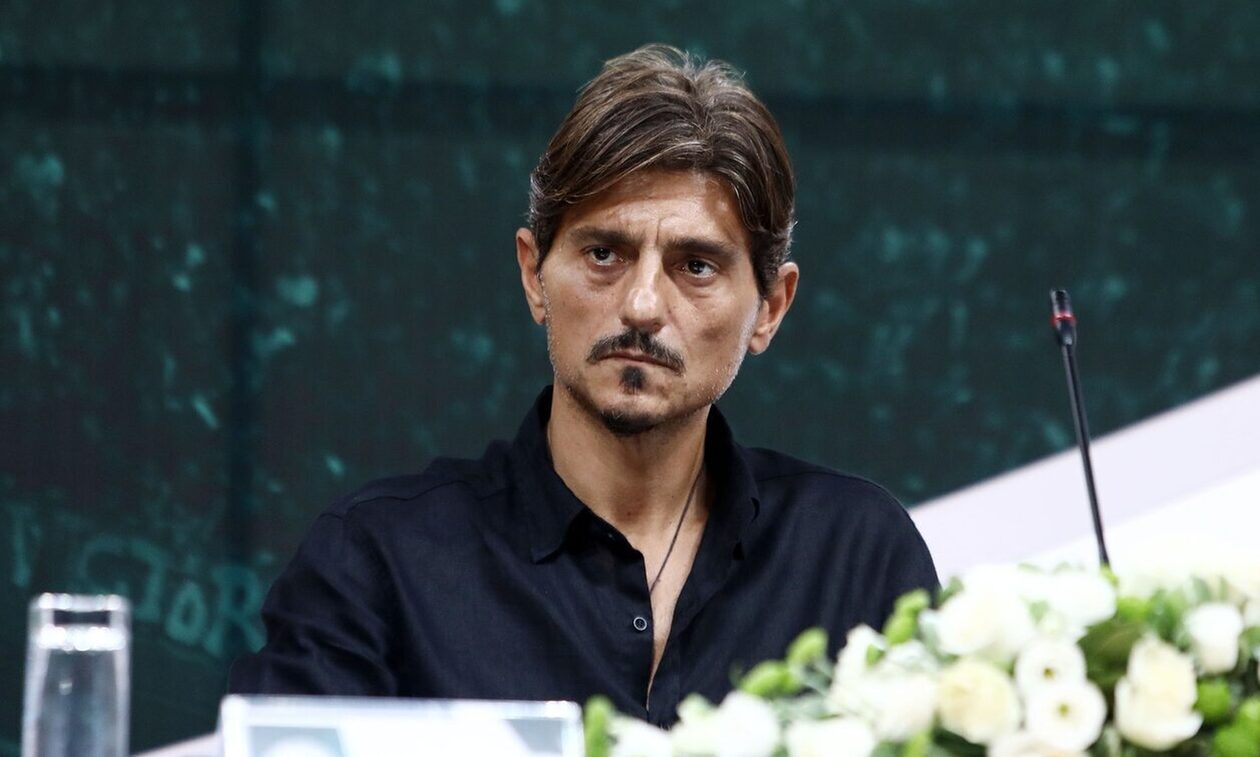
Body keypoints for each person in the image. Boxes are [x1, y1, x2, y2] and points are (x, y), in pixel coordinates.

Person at [229, 44, 937, 728]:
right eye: (604, 253)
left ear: (770, 309)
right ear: (534, 274)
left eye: (695, 266)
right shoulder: (378, 564)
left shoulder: (855, 555)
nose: (642, 305)